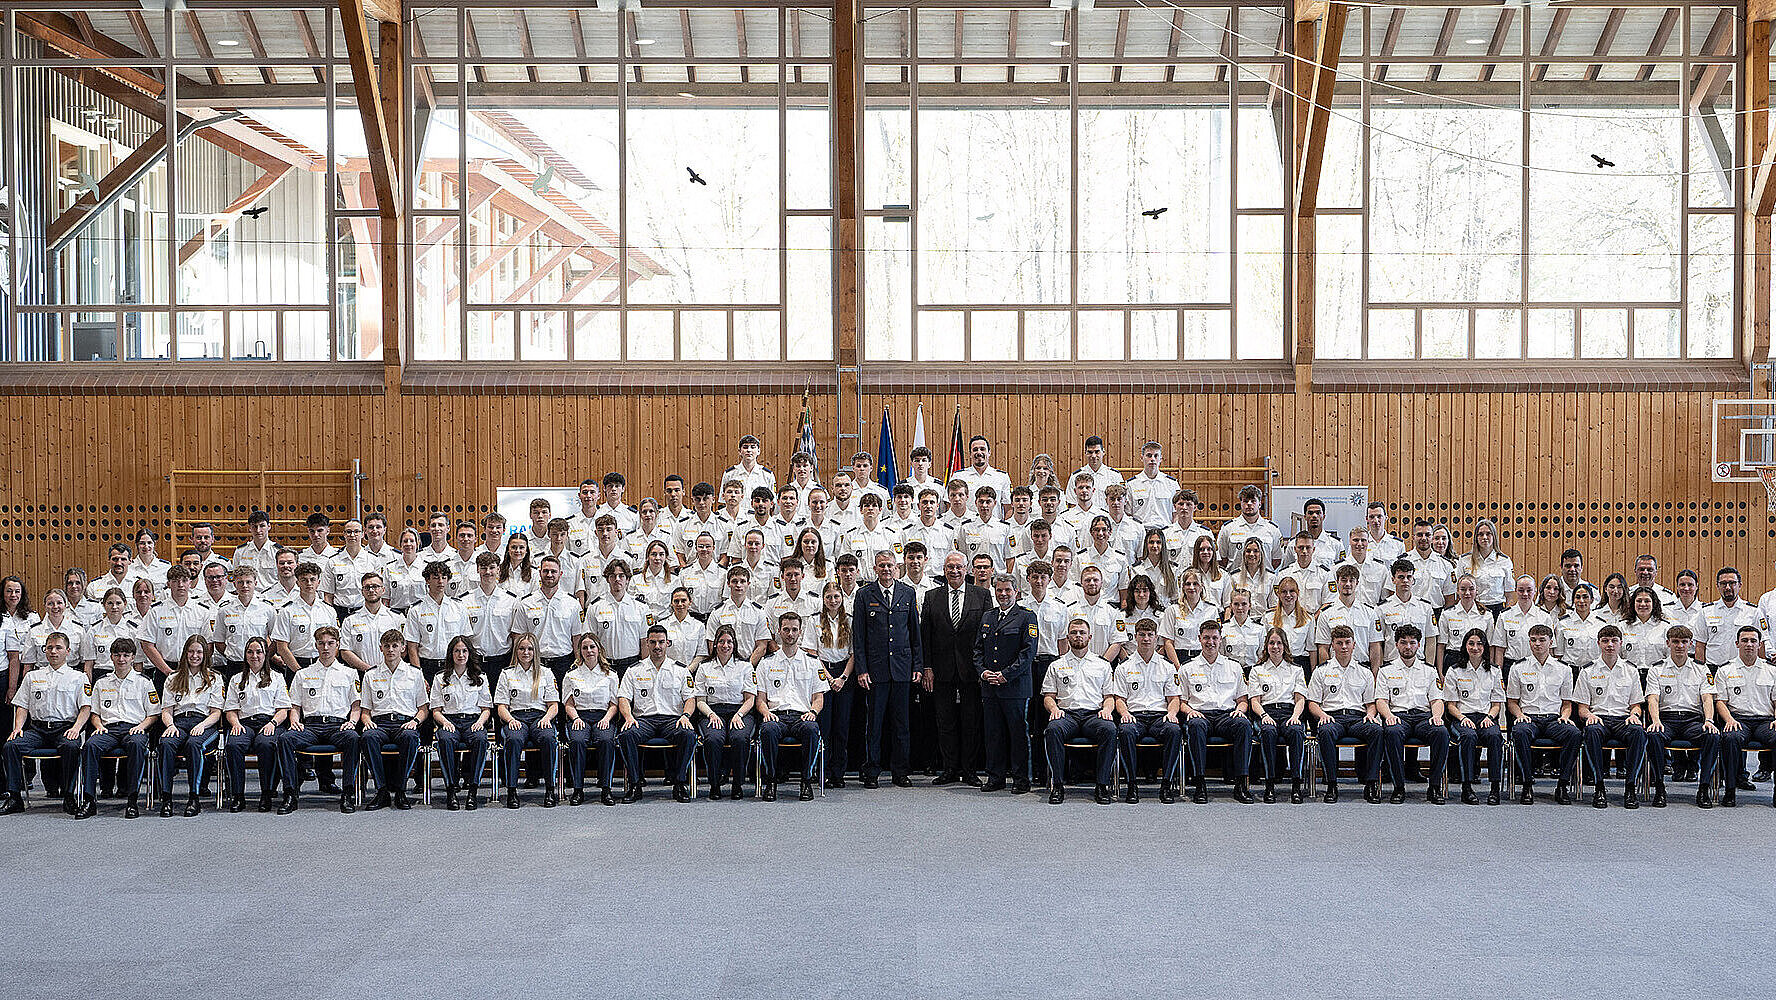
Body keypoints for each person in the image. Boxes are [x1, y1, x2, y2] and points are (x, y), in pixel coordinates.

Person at [853, 550, 923, 789]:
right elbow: (859, 637)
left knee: (901, 725)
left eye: (890, 565)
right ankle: (872, 771)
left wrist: (918, 666)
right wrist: (861, 669)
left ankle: (900, 772)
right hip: (876, 671)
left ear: (897, 568)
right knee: (874, 725)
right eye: (881, 565)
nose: (886, 569)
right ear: (874, 569)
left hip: (902, 670)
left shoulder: (907, 592)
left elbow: (915, 634)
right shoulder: (864, 595)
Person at [277, 627, 363, 815]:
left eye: (330, 643)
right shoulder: (303, 674)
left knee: (353, 738)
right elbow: (295, 706)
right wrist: (294, 721)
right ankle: (290, 793)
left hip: (337, 725)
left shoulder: (349, 673)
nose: (326, 647)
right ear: (315, 645)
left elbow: (356, 706)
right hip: (311, 726)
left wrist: (353, 722)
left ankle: (348, 793)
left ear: (338, 645)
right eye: (321, 643)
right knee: (285, 739)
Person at [0, 631, 87, 813]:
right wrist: (17, 728)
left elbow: (86, 707)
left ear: (68, 651)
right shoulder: (32, 676)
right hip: (38, 730)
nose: (54, 651)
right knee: (11, 746)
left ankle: (69, 796)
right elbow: (22, 705)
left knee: (71, 746)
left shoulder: (78, 677)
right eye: (50, 648)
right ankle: (15, 797)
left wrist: (77, 728)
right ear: (44, 651)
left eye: (58, 648)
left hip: (64, 728)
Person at [921, 552, 988, 786]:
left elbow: (986, 635)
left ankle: (969, 770)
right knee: (945, 721)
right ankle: (949, 769)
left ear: (967, 568)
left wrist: (983, 668)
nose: (955, 571)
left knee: (971, 721)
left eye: (959, 567)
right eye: (950, 567)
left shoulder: (982, 595)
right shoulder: (932, 597)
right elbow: (925, 636)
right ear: (944, 569)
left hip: (972, 670)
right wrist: (927, 666)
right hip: (942, 670)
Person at [75, 638, 156, 819]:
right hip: (108, 729)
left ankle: (132, 800)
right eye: (117, 655)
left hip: (134, 727)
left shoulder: (144, 682)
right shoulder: (101, 682)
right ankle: (89, 800)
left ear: (133, 657)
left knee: (136, 744)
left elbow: (153, 714)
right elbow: (94, 713)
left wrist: (141, 727)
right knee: (90, 745)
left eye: (126, 655)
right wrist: (98, 726)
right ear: (111, 657)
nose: (121, 659)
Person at [1176, 620, 1255, 804]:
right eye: (1206, 638)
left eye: (1214, 638)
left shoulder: (1234, 667)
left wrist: (1240, 710)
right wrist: (1189, 711)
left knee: (1244, 725)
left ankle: (1241, 784)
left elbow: (1242, 700)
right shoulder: (1187, 668)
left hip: (1226, 715)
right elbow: (1182, 702)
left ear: (1221, 640)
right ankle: (1200, 784)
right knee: (1195, 726)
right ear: (1199, 639)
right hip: (1200, 714)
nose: (1210, 642)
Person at [1041, 618, 1118, 805]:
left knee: (1110, 729)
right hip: (1067, 715)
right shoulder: (1056, 665)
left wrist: (1107, 710)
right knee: (1053, 729)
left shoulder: (1102, 665)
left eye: (1082, 633)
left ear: (1090, 637)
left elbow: (1109, 696)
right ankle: (1058, 785)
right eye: (1074, 632)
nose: (1078, 636)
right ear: (1067, 637)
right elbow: (1048, 696)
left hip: (1094, 715)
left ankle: (1102, 785)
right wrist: (1054, 709)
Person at [615, 626, 696, 803]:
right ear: (647, 643)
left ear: (668, 643)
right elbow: (623, 698)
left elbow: (690, 699)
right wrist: (628, 717)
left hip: (672, 720)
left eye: (661, 642)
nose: (657, 646)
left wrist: (685, 716)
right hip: (644, 720)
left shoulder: (680, 670)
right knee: (626, 735)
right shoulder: (634, 670)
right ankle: (635, 784)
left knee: (689, 735)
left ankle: (680, 783)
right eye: (653, 642)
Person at [1504, 624, 1583, 805]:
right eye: (1533, 640)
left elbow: (1567, 703)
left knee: (1575, 734)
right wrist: (1519, 715)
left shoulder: (1563, 669)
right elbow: (1512, 702)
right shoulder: (1518, 667)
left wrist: (1565, 715)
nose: (1537, 644)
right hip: (1529, 717)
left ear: (1551, 642)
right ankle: (1526, 784)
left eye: (1542, 640)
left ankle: (1562, 784)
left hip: (1554, 719)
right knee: (1519, 732)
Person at [1644, 625, 1719, 809]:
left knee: (1712, 736)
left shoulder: (1702, 669)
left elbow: (1707, 698)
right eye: (1675, 642)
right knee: (1653, 735)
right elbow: (1653, 699)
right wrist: (1655, 721)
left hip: (1692, 721)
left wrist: (1709, 720)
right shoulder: (1656, 669)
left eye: (1684, 642)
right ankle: (1660, 788)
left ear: (1691, 644)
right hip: (1666, 719)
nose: (1679, 646)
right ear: (1668, 643)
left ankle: (1704, 788)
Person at [1305, 626, 1382, 804]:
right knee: (1324, 731)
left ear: (1354, 644)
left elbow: (1371, 703)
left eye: (1347, 643)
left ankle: (1370, 784)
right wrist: (1322, 715)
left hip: (1358, 718)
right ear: (1332, 646)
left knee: (1377, 731)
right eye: (1339, 643)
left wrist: (1371, 714)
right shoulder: (1320, 671)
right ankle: (1332, 784)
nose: (1344, 647)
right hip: (1332, 716)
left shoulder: (1365, 672)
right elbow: (1313, 703)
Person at [1109, 617, 1182, 804]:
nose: (1146, 639)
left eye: (1150, 635)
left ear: (1157, 637)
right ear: (1135, 637)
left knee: (1174, 730)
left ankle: (1166, 785)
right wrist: (1124, 714)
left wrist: (1172, 714)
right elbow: (1120, 699)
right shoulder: (1124, 667)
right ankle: (1132, 784)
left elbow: (1174, 698)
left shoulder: (1167, 666)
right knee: (1124, 731)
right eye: (1142, 635)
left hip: (1160, 716)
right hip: (1135, 716)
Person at [1375, 625, 1449, 805]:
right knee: (1391, 732)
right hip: (1399, 716)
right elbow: (1381, 700)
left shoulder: (1429, 671)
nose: (1408, 646)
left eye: (1412, 643)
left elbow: (1437, 700)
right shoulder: (1386, 671)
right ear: (1396, 645)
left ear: (1419, 645)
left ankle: (1434, 787)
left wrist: (1437, 716)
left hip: (1424, 717)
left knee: (1441, 732)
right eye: (1403, 643)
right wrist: (1388, 715)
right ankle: (1398, 787)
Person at [1574, 625, 1647, 809]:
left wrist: (1634, 715)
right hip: (1599, 718)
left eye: (1614, 641)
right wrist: (1589, 715)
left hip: (1623, 719)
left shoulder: (1631, 670)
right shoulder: (1587, 670)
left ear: (1621, 643)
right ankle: (1599, 786)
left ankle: (1630, 787)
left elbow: (1636, 704)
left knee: (1638, 732)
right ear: (1598, 643)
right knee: (1591, 732)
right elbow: (1582, 708)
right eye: (1605, 641)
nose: (1610, 645)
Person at [975, 573, 1035, 795]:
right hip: (990, 687)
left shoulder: (1027, 617)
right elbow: (977, 650)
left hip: (1015, 687)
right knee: (993, 734)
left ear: (1016, 592)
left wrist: (1005, 675)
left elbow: (1028, 653)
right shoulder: (988, 616)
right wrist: (983, 672)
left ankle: (1021, 779)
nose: (1003, 594)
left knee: (1018, 734)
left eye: (1007, 590)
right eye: (999, 590)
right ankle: (995, 776)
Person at [756, 613, 826, 801]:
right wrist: (765, 712)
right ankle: (770, 781)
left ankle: (806, 781)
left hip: (802, 716)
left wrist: (813, 711)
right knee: (767, 730)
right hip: (776, 716)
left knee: (812, 730)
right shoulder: (766, 663)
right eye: (786, 629)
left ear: (800, 632)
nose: (790, 633)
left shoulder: (812, 663)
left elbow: (819, 698)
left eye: (794, 629)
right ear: (779, 631)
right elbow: (760, 699)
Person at [359, 629, 429, 811]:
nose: (391, 650)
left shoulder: (415, 674)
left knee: (410, 737)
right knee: (368, 737)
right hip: (379, 723)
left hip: (405, 722)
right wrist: (367, 721)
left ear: (403, 649)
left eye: (395, 646)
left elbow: (423, 709)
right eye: (387, 646)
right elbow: (365, 711)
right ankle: (381, 790)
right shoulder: (370, 675)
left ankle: (400, 790)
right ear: (380, 648)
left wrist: (415, 721)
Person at [156, 635, 225, 817]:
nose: (195, 655)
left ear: (205, 654)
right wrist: (170, 726)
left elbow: (216, 712)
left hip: (205, 723)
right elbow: (166, 710)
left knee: (194, 744)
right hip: (178, 722)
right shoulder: (173, 678)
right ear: (185, 653)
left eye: (199, 652)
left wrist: (203, 725)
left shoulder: (214, 678)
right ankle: (166, 798)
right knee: (165, 743)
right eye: (191, 651)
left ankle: (193, 798)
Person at [221, 636, 290, 814]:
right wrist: (235, 724)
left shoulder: (277, 677)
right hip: (243, 723)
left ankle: (266, 794)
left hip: (270, 722)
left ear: (265, 654)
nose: (254, 656)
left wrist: (273, 723)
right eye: (250, 652)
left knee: (265, 744)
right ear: (245, 655)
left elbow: (284, 709)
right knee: (233, 745)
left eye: (259, 652)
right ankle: (238, 796)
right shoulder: (236, 679)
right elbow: (230, 709)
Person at [1712, 625, 1776, 808]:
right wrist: (1729, 720)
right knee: (1730, 738)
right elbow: (1720, 702)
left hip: (1765, 721)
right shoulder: (1725, 670)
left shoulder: (1771, 670)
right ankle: (1730, 791)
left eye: (1753, 641)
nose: (1749, 644)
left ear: (1760, 644)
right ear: (1737, 644)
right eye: (1745, 640)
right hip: (1738, 719)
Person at [1442, 628, 1505, 805]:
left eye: (1479, 644)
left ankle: (1494, 788)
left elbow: (1497, 703)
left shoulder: (1494, 671)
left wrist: (1490, 718)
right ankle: (1467, 787)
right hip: (1462, 717)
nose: (1475, 648)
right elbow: (1450, 705)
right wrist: (1462, 718)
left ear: (1485, 647)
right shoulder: (1455, 671)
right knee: (1468, 736)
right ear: (1465, 646)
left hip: (1486, 717)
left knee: (1494, 736)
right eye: (1471, 643)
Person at [430, 635, 492, 811]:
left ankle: (472, 790)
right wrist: (444, 722)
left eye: (464, 651)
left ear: (469, 653)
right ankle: (451, 790)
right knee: (445, 739)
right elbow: (436, 709)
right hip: (449, 720)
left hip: (474, 720)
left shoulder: (480, 677)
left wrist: (480, 722)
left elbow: (486, 708)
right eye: (457, 651)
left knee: (481, 739)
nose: (461, 655)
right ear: (451, 654)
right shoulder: (440, 678)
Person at [1246, 628, 1308, 804]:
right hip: (1267, 712)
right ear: (1266, 646)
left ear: (1285, 646)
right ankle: (1270, 785)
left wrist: (1296, 716)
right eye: (1271, 643)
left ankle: (1296, 785)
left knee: (1296, 731)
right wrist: (1264, 715)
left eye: (1279, 643)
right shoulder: (1257, 670)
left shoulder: (1296, 669)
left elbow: (1300, 699)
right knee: (1268, 732)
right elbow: (1255, 701)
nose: (1275, 647)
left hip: (1290, 713)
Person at [694, 625, 755, 801]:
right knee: (713, 739)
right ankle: (714, 784)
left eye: (729, 641)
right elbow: (700, 700)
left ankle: (737, 784)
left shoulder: (745, 666)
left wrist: (740, 715)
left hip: (740, 711)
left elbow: (750, 699)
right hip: (712, 711)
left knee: (740, 738)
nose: (725, 645)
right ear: (715, 644)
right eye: (721, 641)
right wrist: (711, 715)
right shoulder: (704, 667)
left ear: (734, 644)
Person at [562, 633, 621, 807]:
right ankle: (578, 789)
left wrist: (607, 718)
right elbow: (568, 703)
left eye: (592, 647)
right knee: (578, 741)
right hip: (580, 716)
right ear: (579, 651)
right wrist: (576, 718)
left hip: (603, 716)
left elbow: (614, 704)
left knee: (606, 740)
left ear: (599, 649)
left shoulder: (610, 675)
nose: (589, 651)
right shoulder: (571, 675)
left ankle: (606, 789)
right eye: (585, 647)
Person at [813, 583, 857, 789]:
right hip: (823, 674)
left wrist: (842, 678)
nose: (833, 600)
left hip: (845, 676)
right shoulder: (814, 621)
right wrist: (829, 678)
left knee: (842, 728)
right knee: (825, 728)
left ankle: (838, 773)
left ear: (842, 598)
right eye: (829, 597)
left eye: (836, 596)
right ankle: (824, 771)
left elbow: (853, 654)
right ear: (823, 599)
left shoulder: (849, 621)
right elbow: (813, 654)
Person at [270, 561, 338, 678]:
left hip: (323, 664)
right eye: (304, 580)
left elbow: (335, 643)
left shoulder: (328, 610)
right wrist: (299, 672)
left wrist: (326, 666)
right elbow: (281, 647)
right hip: (296, 664)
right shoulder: (287, 611)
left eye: (312, 579)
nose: (309, 583)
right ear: (297, 583)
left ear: (319, 582)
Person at [403, 562, 469, 683]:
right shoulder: (416, 610)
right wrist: (419, 675)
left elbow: (465, 642)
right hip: (427, 666)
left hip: (453, 665)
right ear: (427, 580)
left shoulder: (458, 607)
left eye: (444, 577)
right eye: (436, 577)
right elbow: (412, 647)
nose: (440, 581)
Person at [1216, 485, 1281, 569]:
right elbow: (1222, 559)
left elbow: (1276, 560)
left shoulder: (1272, 529)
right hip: (1235, 580)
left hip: (1264, 580)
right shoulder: (1228, 528)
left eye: (1253, 501)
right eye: (1245, 501)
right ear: (1241, 503)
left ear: (1260, 504)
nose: (1249, 504)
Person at [1460, 519, 1514, 613]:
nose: (1484, 537)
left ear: (1494, 536)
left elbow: (1509, 593)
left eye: (1488, 534)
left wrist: (1507, 614)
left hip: (1497, 608)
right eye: (1480, 534)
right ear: (1476, 537)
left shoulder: (1504, 561)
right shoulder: (1465, 560)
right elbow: (1459, 589)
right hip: (1473, 608)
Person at [1124, 441, 1179, 528]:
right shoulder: (1131, 484)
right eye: (1149, 455)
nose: (1152, 459)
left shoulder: (1171, 484)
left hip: (1164, 532)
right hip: (1141, 532)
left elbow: (1176, 513)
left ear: (1160, 459)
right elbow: (1127, 513)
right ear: (1142, 458)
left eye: (1156, 456)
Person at [1267, 578, 1314, 671]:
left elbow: (1312, 649)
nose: (1288, 595)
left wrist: (1312, 673)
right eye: (1284, 592)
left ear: (1298, 593)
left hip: (1300, 663)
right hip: (1276, 662)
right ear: (1278, 594)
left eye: (1292, 591)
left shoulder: (1308, 618)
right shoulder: (1268, 617)